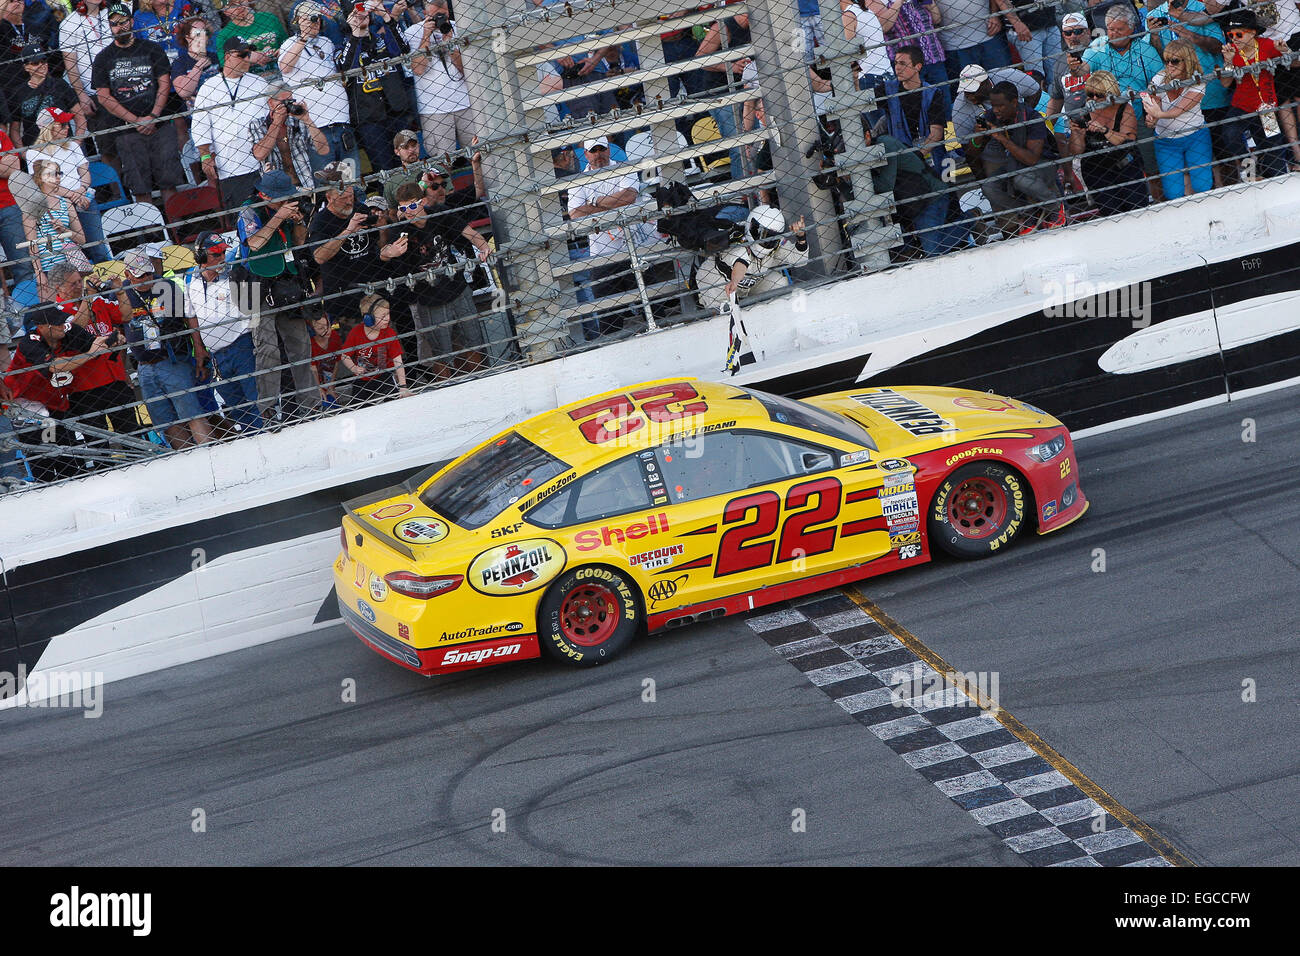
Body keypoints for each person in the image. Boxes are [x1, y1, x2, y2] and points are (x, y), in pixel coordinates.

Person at [383, 178, 491, 381]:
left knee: (473, 341)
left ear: (422, 202)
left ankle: (480, 382)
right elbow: (383, 253)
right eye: (403, 208)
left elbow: (470, 233)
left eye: (413, 205)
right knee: (440, 353)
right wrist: (392, 251)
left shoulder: (440, 215)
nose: (409, 211)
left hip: (457, 288)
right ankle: (448, 390)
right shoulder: (401, 230)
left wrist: (484, 247)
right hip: (428, 299)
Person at [235, 168, 316, 421]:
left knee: (301, 346)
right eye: (281, 198)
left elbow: (300, 242)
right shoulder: (249, 210)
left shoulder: (288, 208)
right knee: (267, 349)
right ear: (264, 195)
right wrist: (279, 216)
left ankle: (312, 407)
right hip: (253, 285)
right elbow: (255, 243)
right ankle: (267, 412)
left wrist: (300, 219)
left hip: (286, 280)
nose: (286, 202)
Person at [91, 2, 186, 207]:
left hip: (159, 123)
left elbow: (164, 82)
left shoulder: (151, 48)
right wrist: (135, 121)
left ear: (132, 21)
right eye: (114, 24)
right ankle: (152, 233)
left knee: (169, 182)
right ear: (109, 27)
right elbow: (103, 96)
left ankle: (175, 226)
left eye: (123, 22)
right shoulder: (103, 58)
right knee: (139, 186)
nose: (120, 27)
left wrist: (152, 116)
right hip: (126, 130)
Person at [2, 305, 111, 481]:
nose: (62, 325)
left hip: (56, 401)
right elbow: (54, 365)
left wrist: (111, 339)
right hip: (30, 408)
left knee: (69, 457)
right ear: (42, 326)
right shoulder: (30, 342)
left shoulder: (67, 332)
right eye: (56, 323)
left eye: (62, 321)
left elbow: (94, 343)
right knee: (45, 459)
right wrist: (90, 354)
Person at [118, 250, 212, 449]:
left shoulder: (167, 286)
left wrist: (199, 350)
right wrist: (121, 369)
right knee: (166, 421)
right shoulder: (121, 293)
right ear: (127, 274)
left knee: (192, 412)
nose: (146, 279)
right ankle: (189, 461)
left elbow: (190, 317)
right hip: (144, 365)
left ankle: (211, 454)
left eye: (149, 273)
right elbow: (118, 330)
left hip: (173, 360)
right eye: (140, 275)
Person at [565, 135, 652, 340]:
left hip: (635, 245)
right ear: (585, 154)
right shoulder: (578, 181)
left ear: (608, 150)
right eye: (593, 151)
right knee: (609, 318)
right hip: (602, 253)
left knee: (655, 302)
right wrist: (613, 202)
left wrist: (594, 203)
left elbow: (629, 196)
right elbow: (575, 214)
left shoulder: (624, 167)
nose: (598, 155)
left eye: (601, 149)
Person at [46, 262, 138, 443]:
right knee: (98, 441)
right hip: (85, 388)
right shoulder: (55, 312)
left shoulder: (97, 300)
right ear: (58, 288)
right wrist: (89, 297)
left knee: (132, 434)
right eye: (73, 284)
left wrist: (120, 292)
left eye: (80, 281)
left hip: (115, 378)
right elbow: (75, 329)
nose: (80, 286)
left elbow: (126, 316)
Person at [1144, 0, 1231, 185]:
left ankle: (1229, 195)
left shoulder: (1203, 7)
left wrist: (1187, 33)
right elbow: (1161, 58)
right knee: (1187, 168)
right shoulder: (1156, 14)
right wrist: (1155, 37)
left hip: (1213, 95)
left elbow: (1218, 45)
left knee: (1224, 154)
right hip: (1177, 101)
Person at [1083, 4, 1165, 199]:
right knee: (1116, 168)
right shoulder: (1098, 45)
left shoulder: (1144, 48)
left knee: (1151, 165)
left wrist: (1152, 110)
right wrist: (1077, 68)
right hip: (1110, 117)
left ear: (1132, 28)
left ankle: (1159, 202)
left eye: (1119, 29)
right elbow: (1084, 69)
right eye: (1110, 29)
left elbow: (1160, 78)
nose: (1113, 33)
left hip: (1141, 114)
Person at [185, 230, 263, 432]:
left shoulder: (236, 274)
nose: (221, 258)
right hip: (216, 355)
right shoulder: (189, 281)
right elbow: (190, 315)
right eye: (215, 254)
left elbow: (254, 310)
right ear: (202, 257)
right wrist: (199, 348)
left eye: (223, 253)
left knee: (257, 401)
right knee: (236, 408)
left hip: (243, 345)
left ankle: (269, 439)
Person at [970, 80, 1065, 234]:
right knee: (989, 187)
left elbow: (1032, 159)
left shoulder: (1032, 117)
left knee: (1021, 179)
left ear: (1014, 103)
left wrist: (1002, 139)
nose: (996, 110)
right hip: (1010, 166)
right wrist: (977, 137)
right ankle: (1029, 213)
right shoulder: (990, 116)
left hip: (1042, 166)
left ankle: (1054, 207)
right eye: (993, 105)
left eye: (1000, 106)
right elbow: (973, 150)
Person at [278, 0, 358, 176]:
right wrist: (303, 37)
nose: (314, 22)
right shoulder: (289, 44)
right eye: (308, 19)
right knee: (326, 180)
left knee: (351, 178)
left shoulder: (326, 42)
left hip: (341, 120)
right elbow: (285, 67)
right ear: (297, 21)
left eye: (316, 18)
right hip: (316, 125)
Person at [862, 119, 961, 258]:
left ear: (867, 136)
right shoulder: (869, 154)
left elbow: (885, 186)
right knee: (928, 248)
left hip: (930, 196)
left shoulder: (884, 144)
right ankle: (967, 223)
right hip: (913, 203)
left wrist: (857, 175)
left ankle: (971, 220)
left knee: (933, 251)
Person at [25, 108, 112, 265]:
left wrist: (81, 191)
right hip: (57, 203)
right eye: (62, 124)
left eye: (67, 124)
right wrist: (74, 195)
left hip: (83, 197)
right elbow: (43, 182)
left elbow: (85, 172)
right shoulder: (34, 153)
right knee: (69, 250)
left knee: (96, 245)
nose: (67, 128)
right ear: (48, 127)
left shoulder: (72, 145)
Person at [192, 37, 271, 207]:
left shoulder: (259, 83)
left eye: (249, 54)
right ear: (228, 56)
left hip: (265, 163)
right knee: (245, 220)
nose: (247, 59)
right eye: (242, 55)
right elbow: (200, 126)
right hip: (230, 167)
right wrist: (205, 156)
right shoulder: (209, 87)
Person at [338, 0, 411, 173]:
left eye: (365, 11)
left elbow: (403, 48)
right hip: (369, 118)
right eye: (357, 13)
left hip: (396, 110)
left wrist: (386, 16)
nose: (362, 15)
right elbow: (346, 68)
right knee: (384, 169)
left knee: (408, 162)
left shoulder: (380, 38)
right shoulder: (343, 45)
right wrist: (356, 32)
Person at [695, 204, 809, 314]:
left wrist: (801, 237)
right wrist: (734, 282)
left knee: (780, 283)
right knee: (724, 314)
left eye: (770, 237)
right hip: (718, 282)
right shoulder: (737, 239)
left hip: (747, 285)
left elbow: (799, 259)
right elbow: (741, 264)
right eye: (761, 233)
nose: (765, 241)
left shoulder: (775, 245)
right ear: (751, 226)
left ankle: (772, 319)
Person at [1220, 9, 1291, 178]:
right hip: (1242, 105)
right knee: (1230, 135)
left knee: (1273, 151)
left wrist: (1286, 51)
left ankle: (1278, 180)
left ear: (1252, 33)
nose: (1234, 39)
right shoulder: (1232, 51)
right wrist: (1228, 62)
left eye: (1238, 34)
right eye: (1230, 35)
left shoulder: (1266, 45)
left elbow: (1292, 61)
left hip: (1266, 107)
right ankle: (1250, 170)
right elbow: (1225, 83)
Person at [1068, 69, 1148, 214]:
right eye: (1090, 94)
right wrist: (1076, 134)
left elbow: (1128, 140)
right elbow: (1076, 151)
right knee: (1111, 214)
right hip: (1096, 170)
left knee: (1137, 210)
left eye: (1099, 95)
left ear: (1111, 93)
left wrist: (1104, 130)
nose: (1094, 98)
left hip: (1125, 164)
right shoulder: (1083, 112)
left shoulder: (1125, 108)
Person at [1142, 38, 1213, 197]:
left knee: (1202, 185)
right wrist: (1152, 118)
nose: (1169, 65)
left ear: (1187, 61)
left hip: (1195, 136)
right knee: (1173, 192)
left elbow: (1179, 109)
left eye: (1174, 61)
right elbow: (1155, 105)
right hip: (1166, 141)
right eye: (1166, 61)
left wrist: (1159, 115)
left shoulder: (1197, 80)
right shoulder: (1158, 79)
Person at [309, 160, 379, 322]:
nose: (349, 202)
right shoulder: (320, 221)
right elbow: (319, 257)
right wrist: (348, 230)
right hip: (343, 301)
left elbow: (378, 243)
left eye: (350, 196)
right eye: (343, 198)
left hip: (373, 293)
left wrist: (382, 226)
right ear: (329, 198)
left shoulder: (360, 208)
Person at [404, 0, 476, 154]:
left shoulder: (458, 27)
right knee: (442, 161)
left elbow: (467, 70)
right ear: (425, 14)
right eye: (436, 15)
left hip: (466, 102)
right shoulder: (413, 32)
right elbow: (418, 69)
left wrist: (450, 42)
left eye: (443, 15)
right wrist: (426, 36)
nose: (440, 19)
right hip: (434, 108)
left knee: (479, 153)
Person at [23, 158, 91, 296]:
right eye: (54, 173)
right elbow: (32, 244)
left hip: (72, 265)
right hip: (49, 268)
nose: (59, 177)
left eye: (59, 173)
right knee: (57, 312)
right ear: (41, 177)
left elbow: (82, 239)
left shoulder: (66, 203)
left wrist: (64, 230)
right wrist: (39, 273)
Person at [882, 45, 949, 178]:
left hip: (931, 154)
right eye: (895, 63)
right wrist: (855, 77)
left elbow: (937, 133)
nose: (897, 68)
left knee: (946, 188)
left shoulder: (933, 92)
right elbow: (861, 100)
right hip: (902, 157)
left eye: (902, 63)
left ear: (917, 67)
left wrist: (917, 156)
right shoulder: (887, 89)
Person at [59, 0, 114, 159]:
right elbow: (70, 64)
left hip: (123, 86)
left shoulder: (112, 14)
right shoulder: (68, 24)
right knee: (108, 147)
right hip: (95, 93)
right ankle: (117, 183)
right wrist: (82, 96)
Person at [250, 82, 331, 188]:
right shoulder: (258, 125)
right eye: (284, 102)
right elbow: (260, 154)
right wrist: (276, 123)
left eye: (291, 101)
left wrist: (307, 120)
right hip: (277, 190)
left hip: (305, 184)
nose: (288, 105)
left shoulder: (298, 121)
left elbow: (323, 150)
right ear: (271, 103)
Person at [338, 293, 410, 404]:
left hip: (384, 374)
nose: (388, 318)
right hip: (362, 378)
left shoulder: (389, 333)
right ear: (368, 319)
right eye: (383, 316)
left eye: (388, 314)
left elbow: (398, 360)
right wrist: (354, 368)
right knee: (357, 406)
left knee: (394, 400)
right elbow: (345, 355)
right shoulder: (356, 333)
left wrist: (403, 386)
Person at [9, 42, 85, 148]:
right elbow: (14, 129)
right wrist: (23, 153)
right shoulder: (18, 93)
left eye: (43, 61)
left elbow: (80, 117)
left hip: (64, 144)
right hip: (35, 147)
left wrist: (76, 143)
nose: (41, 65)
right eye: (35, 63)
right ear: (26, 67)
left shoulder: (60, 84)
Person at [952, 64, 1043, 145]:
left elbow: (1035, 90)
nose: (969, 96)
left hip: (1023, 130)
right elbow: (965, 146)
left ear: (986, 83)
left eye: (973, 91)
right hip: (990, 143)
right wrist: (977, 138)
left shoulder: (1008, 75)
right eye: (966, 91)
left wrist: (1023, 115)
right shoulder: (960, 107)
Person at [939, 0, 1013, 79]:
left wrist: (994, 14)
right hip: (955, 44)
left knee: (1004, 80)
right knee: (968, 88)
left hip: (989, 34)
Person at [214, 0, 288, 75]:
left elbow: (286, 43)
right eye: (233, 5)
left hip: (282, 69)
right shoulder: (224, 35)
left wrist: (283, 50)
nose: (239, 7)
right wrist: (246, 57)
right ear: (225, 11)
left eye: (241, 1)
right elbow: (227, 69)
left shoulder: (269, 18)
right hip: (251, 77)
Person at [0, 126, 32, 285]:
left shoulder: (0, 135)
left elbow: (14, 167)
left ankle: (30, 308)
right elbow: (6, 166)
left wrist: (7, 165)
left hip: (9, 207)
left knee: (23, 265)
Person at [994, 0, 1063, 74]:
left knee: (1058, 69)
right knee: (1036, 73)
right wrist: (1016, 23)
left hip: (1050, 21)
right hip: (1025, 28)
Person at [308, 310, 342, 406]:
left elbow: (336, 362)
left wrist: (331, 386)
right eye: (320, 328)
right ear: (312, 330)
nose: (327, 330)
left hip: (328, 380)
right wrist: (319, 389)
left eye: (328, 325)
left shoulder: (334, 337)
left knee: (334, 404)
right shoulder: (310, 344)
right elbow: (313, 369)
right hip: (314, 383)